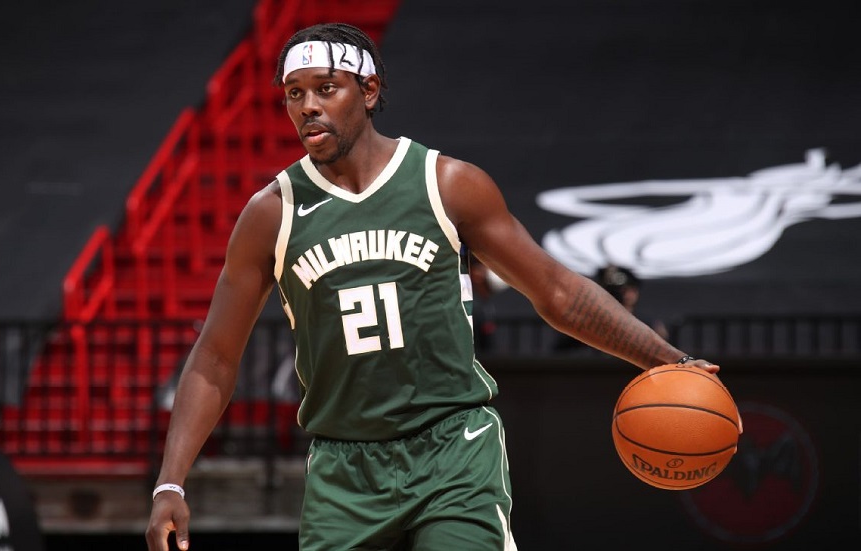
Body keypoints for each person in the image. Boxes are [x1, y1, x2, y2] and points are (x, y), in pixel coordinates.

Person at [146, 22, 724, 551]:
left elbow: (557, 291)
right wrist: (170, 482)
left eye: (326, 88)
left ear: (369, 91)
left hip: (452, 448)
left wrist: (668, 361)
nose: (308, 106)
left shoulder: (446, 183)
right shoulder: (272, 213)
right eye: (294, 94)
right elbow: (215, 357)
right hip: (344, 467)